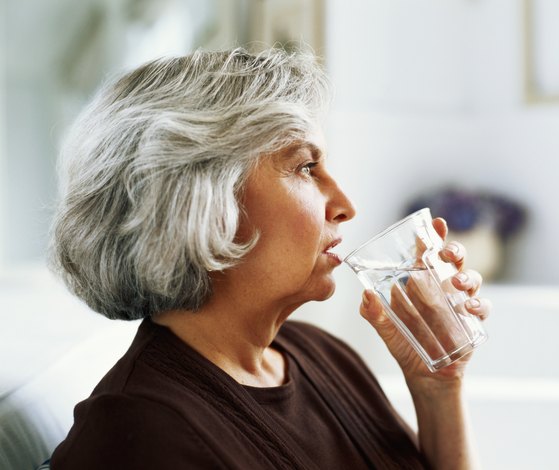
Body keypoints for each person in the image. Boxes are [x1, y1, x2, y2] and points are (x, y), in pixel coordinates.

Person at [49, 47, 491, 469]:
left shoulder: (321, 353)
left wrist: (438, 388)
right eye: (305, 167)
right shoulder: (134, 435)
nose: (345, 205)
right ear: (201, 200)